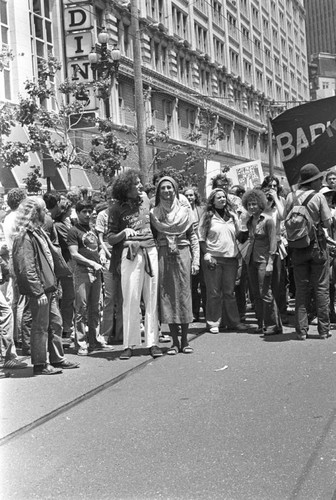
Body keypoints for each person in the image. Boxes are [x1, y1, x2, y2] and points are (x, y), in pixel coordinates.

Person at [12, 197, 79, 375]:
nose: (47, 213)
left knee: (55, 323)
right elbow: (26, 267)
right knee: (40, 327)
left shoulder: (38, 232)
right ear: (35, 213)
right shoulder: (25, 236)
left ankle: (57, 358)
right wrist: (37, 291)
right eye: (43, 210)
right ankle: (40, 364)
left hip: (49, 287)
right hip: (40, 289)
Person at [108, 169, 162, 360]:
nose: (140, 186)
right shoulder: (115, 209)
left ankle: (153, 342)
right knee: (130, 299)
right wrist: (124, 233)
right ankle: (129, 344)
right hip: (130, 255)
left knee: (152, 297)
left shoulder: (146, 200)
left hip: (150, 251)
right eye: (136, 183)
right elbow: (110, 238)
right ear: (126, 188)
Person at [150, 176, 199, 355]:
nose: (166, 191)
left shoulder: (186, 211)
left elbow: (193, 236)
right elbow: (153, 238)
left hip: (183, 252)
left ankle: (185, 340)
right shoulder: (154, 213)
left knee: (184, 295)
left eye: (169, 187)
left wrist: (196, 260)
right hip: (164, 254)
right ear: (158, 191)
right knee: (167, 296)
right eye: (163, 188)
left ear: (175, 189)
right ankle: (174, 341)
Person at [284, 164, 332, 340]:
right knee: (321, 288)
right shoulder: (319, 197)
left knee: (301, 289)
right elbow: (327, 223)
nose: (321, 182)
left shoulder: (291, 196)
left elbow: (284, 217)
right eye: (319, 179)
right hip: (317, 246)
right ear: (312, 181)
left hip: (297, 247)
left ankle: (301, 331)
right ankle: (324, 330)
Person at [198, 188, 248, 334]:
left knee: (229, 292)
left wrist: (240, 221)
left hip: (231, 258)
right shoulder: (207, 216)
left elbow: (239, 235)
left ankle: (233, 322)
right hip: (213, 258)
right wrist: (206, 253)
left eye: (224, 197)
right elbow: (201, 237)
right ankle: (213, 322)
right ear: (212, 200)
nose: (222, 199)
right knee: (214, 292)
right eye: (218, 197)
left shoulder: (232, 216)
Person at [68, 200, 108, 356]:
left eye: (88, 211)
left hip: (97, 272)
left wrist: (102, 255)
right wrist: (91, 263)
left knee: (96, 307)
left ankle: (94, 340)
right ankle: (81, 342)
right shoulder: (73, 231)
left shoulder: (91, 229)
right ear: (77, 213)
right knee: (81, 309)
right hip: (82, 272)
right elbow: (74, 254)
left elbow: (98, 247)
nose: (86, 214)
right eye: (83, 212)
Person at [240, 189, 282, 335]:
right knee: (256, 294)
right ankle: (261, 323)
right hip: (251, 260)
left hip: (264, 260)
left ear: (261, 204)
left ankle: (273, 325)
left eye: (254, 204)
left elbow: (273, 242)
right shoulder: (250, 221)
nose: (251, 207)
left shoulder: (268, 220)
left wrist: (271, 262)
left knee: (265, 293)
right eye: (249, 204)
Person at [95, 187, 123, 344]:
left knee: (122, 296)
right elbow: (100, 238)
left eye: (115, 199)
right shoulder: (102, 215)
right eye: (109, 199)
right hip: (107, 253)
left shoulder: (121, 213)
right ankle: (105, 333)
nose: (112, 202)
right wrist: (107, 252)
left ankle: (120, 333)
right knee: (109, 296)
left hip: (121, 253)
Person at [183, 186, 206, 321]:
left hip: (202, 246)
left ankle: (208, 311)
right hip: (188, 247)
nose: (190, 197)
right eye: (187, 195)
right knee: (192, 283)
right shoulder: (182, 211)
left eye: (192, 195)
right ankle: (194, 312)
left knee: (204, 282)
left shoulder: (201, 210)